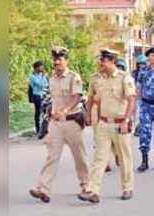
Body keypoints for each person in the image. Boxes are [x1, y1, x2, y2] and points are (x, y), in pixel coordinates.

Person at [29, 47, 89, 203]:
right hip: (56, 123)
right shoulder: (52, 78)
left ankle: (86, 186)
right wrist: (50, 111)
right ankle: (43, 189)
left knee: (79, 157)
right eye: (55, 60)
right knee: (51, 156)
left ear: (66, 60)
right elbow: (51, 97)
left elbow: (77, 96)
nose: (57, 63)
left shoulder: (73, 77)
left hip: (72, 122)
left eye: (60, 59)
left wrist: (65, 110)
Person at [79, 49, 136, 203]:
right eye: (100, 60)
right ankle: (92, 190)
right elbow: (90, 97)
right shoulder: (95, 78)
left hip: (120, 124)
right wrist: (88, 114)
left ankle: (127, 188)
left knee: (124, 157)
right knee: (100, 158)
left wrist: (126, 121)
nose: (100, 63)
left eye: (103, 61)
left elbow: (131, 100)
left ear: (112, 61)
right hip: (103, 122)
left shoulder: (124, 78)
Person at [29, 60, 49, 133]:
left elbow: (46, 84)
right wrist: (43, 78)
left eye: (42, 66)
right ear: (36, 68)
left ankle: (44, 128)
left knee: (45, 111)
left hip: (44, 95)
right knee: (38, 112)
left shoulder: (42, 75)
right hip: (37, 95)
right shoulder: (32, 76)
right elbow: (40, 85)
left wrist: (43, 78)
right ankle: (38, 129)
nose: (42, 68)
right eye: (40, 67)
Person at [132, 54, 147, 137]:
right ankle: (137, 128)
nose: (141, 66)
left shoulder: (148, 73)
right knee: (136, 113)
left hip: (145, 97)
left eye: (143, 64)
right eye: (140, 64)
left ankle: (142, 128)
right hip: (136, 96)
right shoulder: (134, 73)